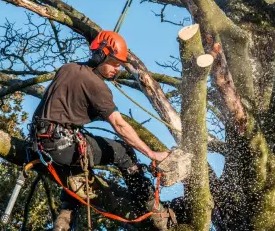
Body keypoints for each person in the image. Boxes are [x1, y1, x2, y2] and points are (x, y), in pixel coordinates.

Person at [31, 31, 171, 230]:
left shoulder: (67, 69)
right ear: (100, 56)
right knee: (123, 152)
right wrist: (152, 154)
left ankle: (64, 218)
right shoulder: (97, 86)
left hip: (39, 143)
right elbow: (119, 125)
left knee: (80, 171)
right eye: (114, 63)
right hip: (62, 145)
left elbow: (67, 106)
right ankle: (151, 209)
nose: (117, 69)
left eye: (120, 65)